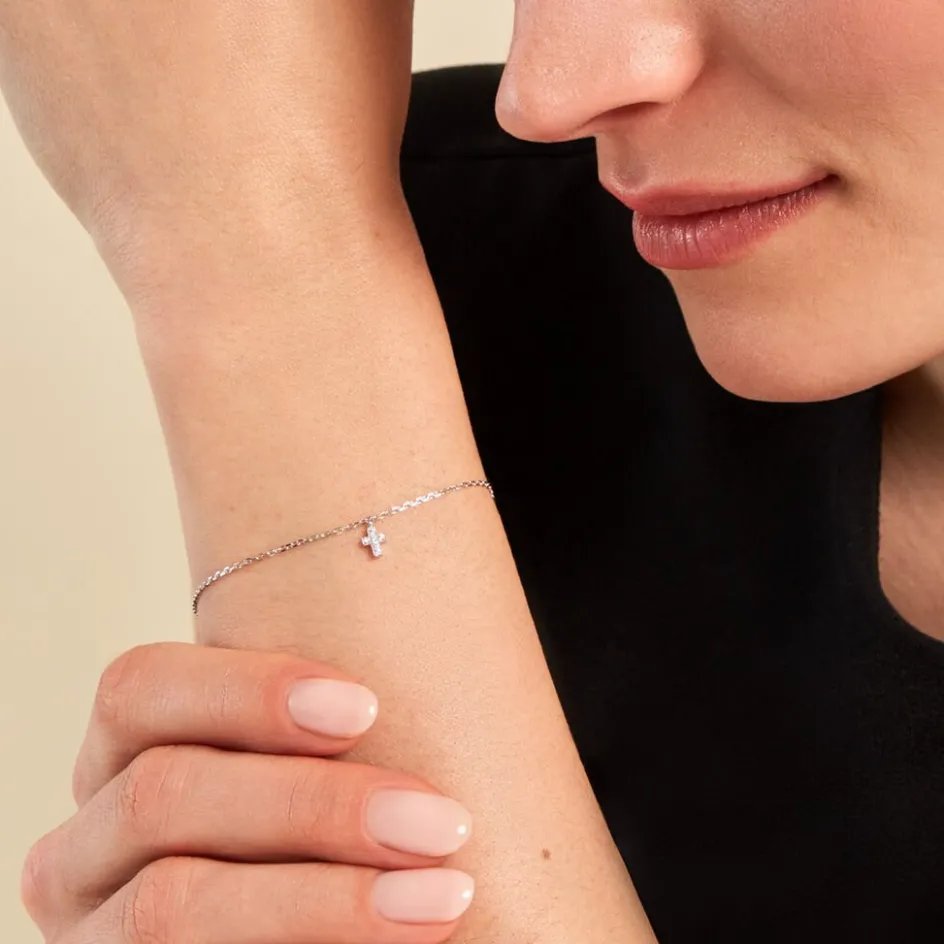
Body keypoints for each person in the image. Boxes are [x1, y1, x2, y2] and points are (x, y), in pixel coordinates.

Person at [7, 2, 944, 943]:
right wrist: (266, 248)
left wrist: (254, 279)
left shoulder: (317, 271)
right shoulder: (441, 256)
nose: (546, 93)